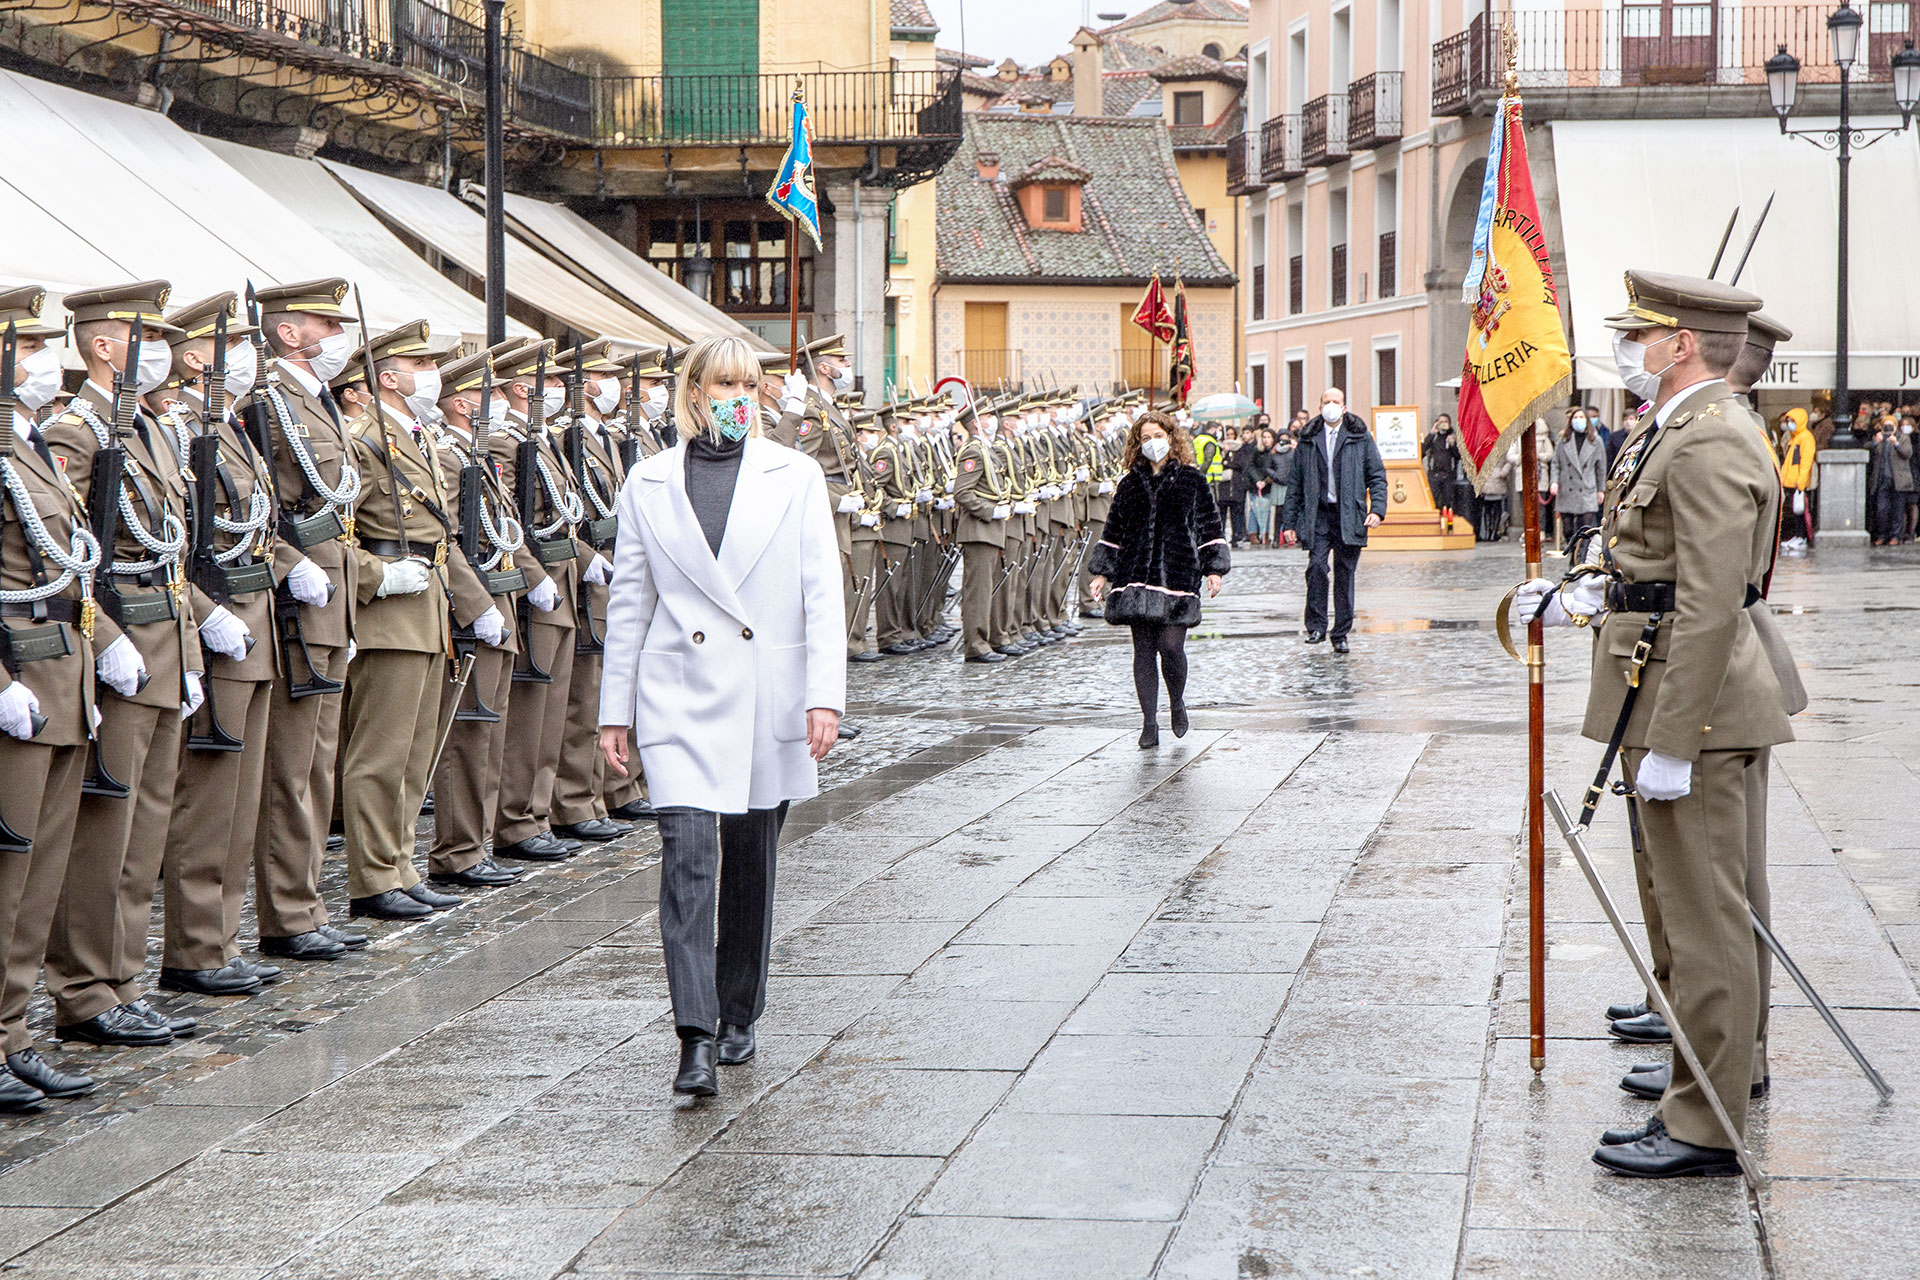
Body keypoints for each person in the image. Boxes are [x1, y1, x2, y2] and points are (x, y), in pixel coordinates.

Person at [1514, 269, 1791, 1179]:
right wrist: (1589, 596)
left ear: (1681, 344)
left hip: (1694, 715)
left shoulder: (1709, 437)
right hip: (1667, 695)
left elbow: (1710, 604)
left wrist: (1674, 742)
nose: (1629, 348)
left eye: (1641, 335)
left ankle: (1707, 1124)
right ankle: (1695, 1089)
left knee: (1706, 922)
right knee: (1691, 912)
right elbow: (1660, 571)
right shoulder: (1682, 426)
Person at [596, 334, 845, 1098]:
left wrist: (825, 695)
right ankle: (695, 1037)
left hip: (768, 690)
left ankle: (739, 1012)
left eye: (748, 384)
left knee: (750, 866)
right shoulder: (648, 481)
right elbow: (630, 599)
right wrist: (614, 711)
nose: (737, 398)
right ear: (694, 390)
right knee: (688, 862)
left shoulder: (794, 475)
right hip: (679, 694)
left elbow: (821, 590)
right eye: (723, 384)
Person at [0, 285, 123, 1104]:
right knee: (6, 873)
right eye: (32, 345)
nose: (49, 360)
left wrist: (102, 655)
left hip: (60, 678)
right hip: (19, 678)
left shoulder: (32, 442)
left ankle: (11, 1036)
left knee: (37, 877)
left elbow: (64, 568)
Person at [245, 278, 368, 964]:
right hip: (298, 604)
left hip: (331, 598)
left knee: (319, 764)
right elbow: (262, 507)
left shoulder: (314, 400)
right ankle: (287, 913)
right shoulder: (269, 404)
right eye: (327, 324)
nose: (338, 336)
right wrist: (291, 565)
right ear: (290, 333)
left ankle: (307, 904)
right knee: (292, 769)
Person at [1085, 410, 1228, 748]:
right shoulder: (1129, 484)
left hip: (1178, 573)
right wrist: (1101, 573)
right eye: (1145, 438)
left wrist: (1214, 568)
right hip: (1135, 575)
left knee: (1171, 646)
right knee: (1144, 650)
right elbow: (1113, 530)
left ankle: (1176, 701)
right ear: (1138, 443)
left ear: (1171, 438)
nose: (1152, 443)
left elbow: (1209, 525)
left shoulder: (1192, 480)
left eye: (1158, 436)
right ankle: (1149, 722)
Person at [1279, 388, 1386, 654]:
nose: (1331, 405)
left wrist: (1377, 510)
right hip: (1318, 514)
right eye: (1326, 401)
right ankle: (1316, 626)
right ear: (1319, 407)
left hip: (1349, 514)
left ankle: (1341, 633)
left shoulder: (1360, 436)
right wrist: (1289, 523)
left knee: (1345, 573)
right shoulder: (1308, 439)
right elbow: (1295, 483)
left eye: (1335, 401)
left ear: (1344, 407)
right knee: (1316, 567)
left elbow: (1376, 475)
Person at [1551, 407, 1608, 552]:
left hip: (1587, 488)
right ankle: (1572, 548)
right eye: (1575, 418)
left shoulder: (1596, 441)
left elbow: (1601, 468)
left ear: (1587, 421)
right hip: (1567, 487)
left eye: (1581, 417)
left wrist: (1601, 490)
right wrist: (1554, 481)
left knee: (1585, 528)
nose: (1578, 420)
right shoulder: (1563, 440)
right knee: (1568, 528)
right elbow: (1556, 463)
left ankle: (1580, 554)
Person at [1777, 408, 1816, 553]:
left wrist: (1801, 481)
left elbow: (1805, 461)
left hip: (1797, 482)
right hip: (1790, 480)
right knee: (1795, 511)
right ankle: (1797, 535)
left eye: (1792, 421)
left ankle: (1802, 536)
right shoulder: (1794, 438)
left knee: (1800, 511)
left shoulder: (1805, 438)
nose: (1789, 424)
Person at [1868, 415, 1911, 545]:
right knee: (1882, 510)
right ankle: (1882, 535)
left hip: (1898, 480)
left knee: (1898, 510)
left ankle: (1895, 536)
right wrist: (1875, 442)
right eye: (1885, 425)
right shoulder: (1879, 437)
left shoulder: (1903, 438)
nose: (1888, 428)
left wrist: (1896, 444)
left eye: (1890, 425)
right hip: (1882, 479)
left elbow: (1907, 453)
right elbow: (1866, 450)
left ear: (1896, 427)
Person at [1244, 427, 1280, 546]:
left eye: (1269, 437)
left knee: (1267, 510)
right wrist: (1257, 480)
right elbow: (1251, 466)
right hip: (1255, 484)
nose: (1266, 440)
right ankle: (1253, 534)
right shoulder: (1257, 450)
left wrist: (1266, 481)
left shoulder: (1275, 452)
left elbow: (1276, 468)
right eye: (1264, 437)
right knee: (1254, 509)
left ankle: (1265, 533)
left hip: (1269, 484)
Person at [1476, 437, 1517, 543]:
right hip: (1486, 480)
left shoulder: (1503, 447)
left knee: (1496, 508)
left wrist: (1503, 472)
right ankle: (1487, 532)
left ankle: (1493, 532)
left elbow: (1509, 462)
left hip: (1498, 480)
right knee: (1487, 509)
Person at [1422, 416, 1458, 519]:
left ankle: (1447, 522)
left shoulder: (1452, 437)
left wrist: (1453, 444)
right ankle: (1433, 521)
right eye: (1440, 422)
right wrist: (1431, 433)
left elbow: (1458, 456)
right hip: (1434, 474)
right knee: (1433, 501)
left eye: (1445, 422)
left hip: (1448, 475)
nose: (1443, 424)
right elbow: (1422, 450)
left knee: (1448, 501)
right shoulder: (1433, 437)